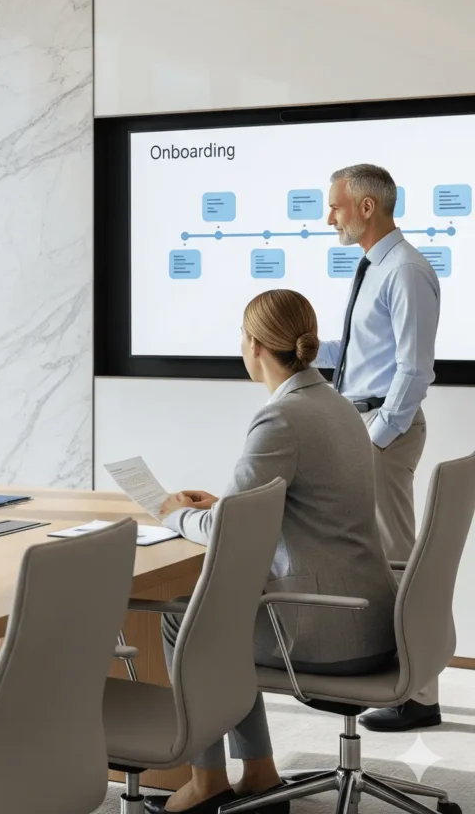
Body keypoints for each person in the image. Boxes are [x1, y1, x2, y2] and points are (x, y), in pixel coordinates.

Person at [146, 289, 397, 814]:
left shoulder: (280, 419)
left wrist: (170, 512)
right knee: (229, 613)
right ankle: (258, 773)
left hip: (328, 632)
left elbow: (225, 530)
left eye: (241, 335)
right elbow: (307, 506)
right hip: (374, 618)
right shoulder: (339, 406)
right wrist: (231, 506)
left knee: (188, 618)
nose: (240, 345)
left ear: (256, 345)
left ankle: (207, 779)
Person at [319, 163, 441, 731]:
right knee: (381, 559)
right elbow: (369, 352)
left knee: (397, 560)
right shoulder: (376, 266)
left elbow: (415, 371)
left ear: (367, 207)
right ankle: (397, 678)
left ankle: (417, 695)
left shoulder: (406, 270)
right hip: (361, 426)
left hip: (382, 433)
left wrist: (376, 438)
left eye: (336, 206)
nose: (330, 217)